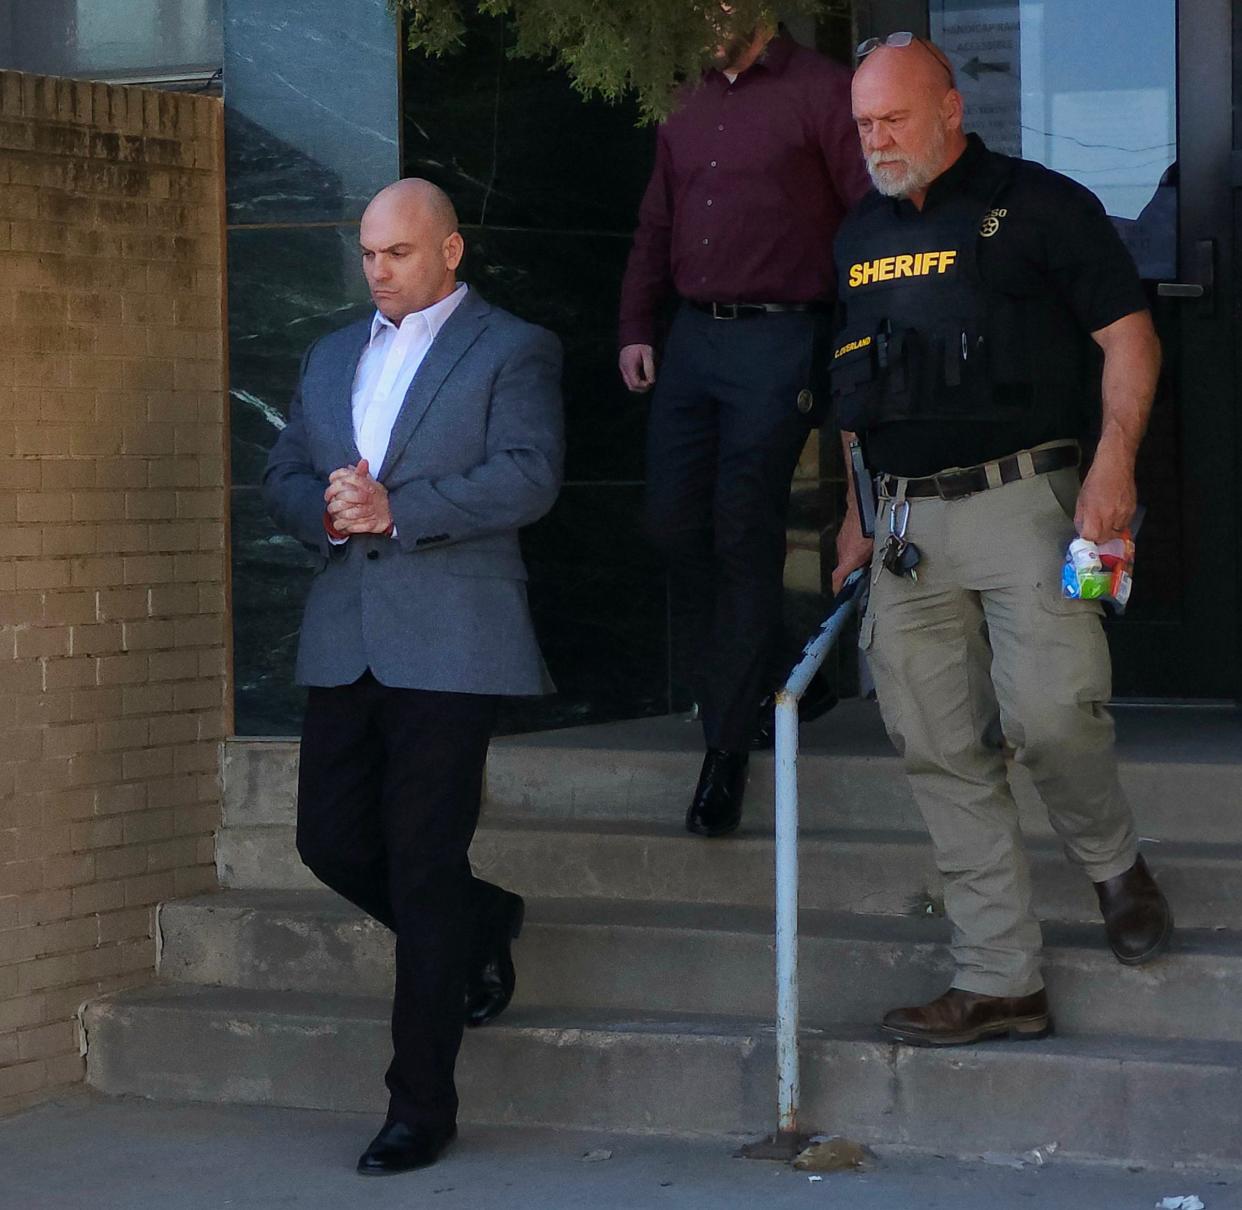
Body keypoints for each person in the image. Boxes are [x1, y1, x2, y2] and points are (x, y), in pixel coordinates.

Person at [829, 35, 1172, 1046]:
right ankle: (999, 977)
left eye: (893, 119)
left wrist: (1113, 469)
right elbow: (856, 385)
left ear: (949, 109)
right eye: (862, 125)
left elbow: (1131, 339)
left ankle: (1113, 863)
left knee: (1054, 713)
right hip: (901, 523)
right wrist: (850, 514)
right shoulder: (855, 234)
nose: (877, 141)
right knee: (935, 744)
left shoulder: (1044, 205)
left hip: (1035, 505)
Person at [262, 179, 563, 1172]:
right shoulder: (331, 354)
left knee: (423, 863)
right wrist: (331, 510)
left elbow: (529, 475)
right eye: (368, 253)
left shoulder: (512, 347)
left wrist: (398, 507)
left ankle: (420, 1104)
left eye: (397, 252)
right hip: (346, 631)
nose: (378, 269)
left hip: (453, 637)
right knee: (328, 839)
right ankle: (485, 919)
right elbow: (285, 476)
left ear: (451, 250)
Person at [618, 18, 870, 839]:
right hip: (694, 334)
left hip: (783, 332)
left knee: (742, 533)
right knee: (668, 523)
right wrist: (635, 324)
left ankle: (726, 748)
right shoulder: (682, 94)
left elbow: (867, 221)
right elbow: (659, 218)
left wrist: (853, 345)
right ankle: (783, 663)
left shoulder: (823, 90)